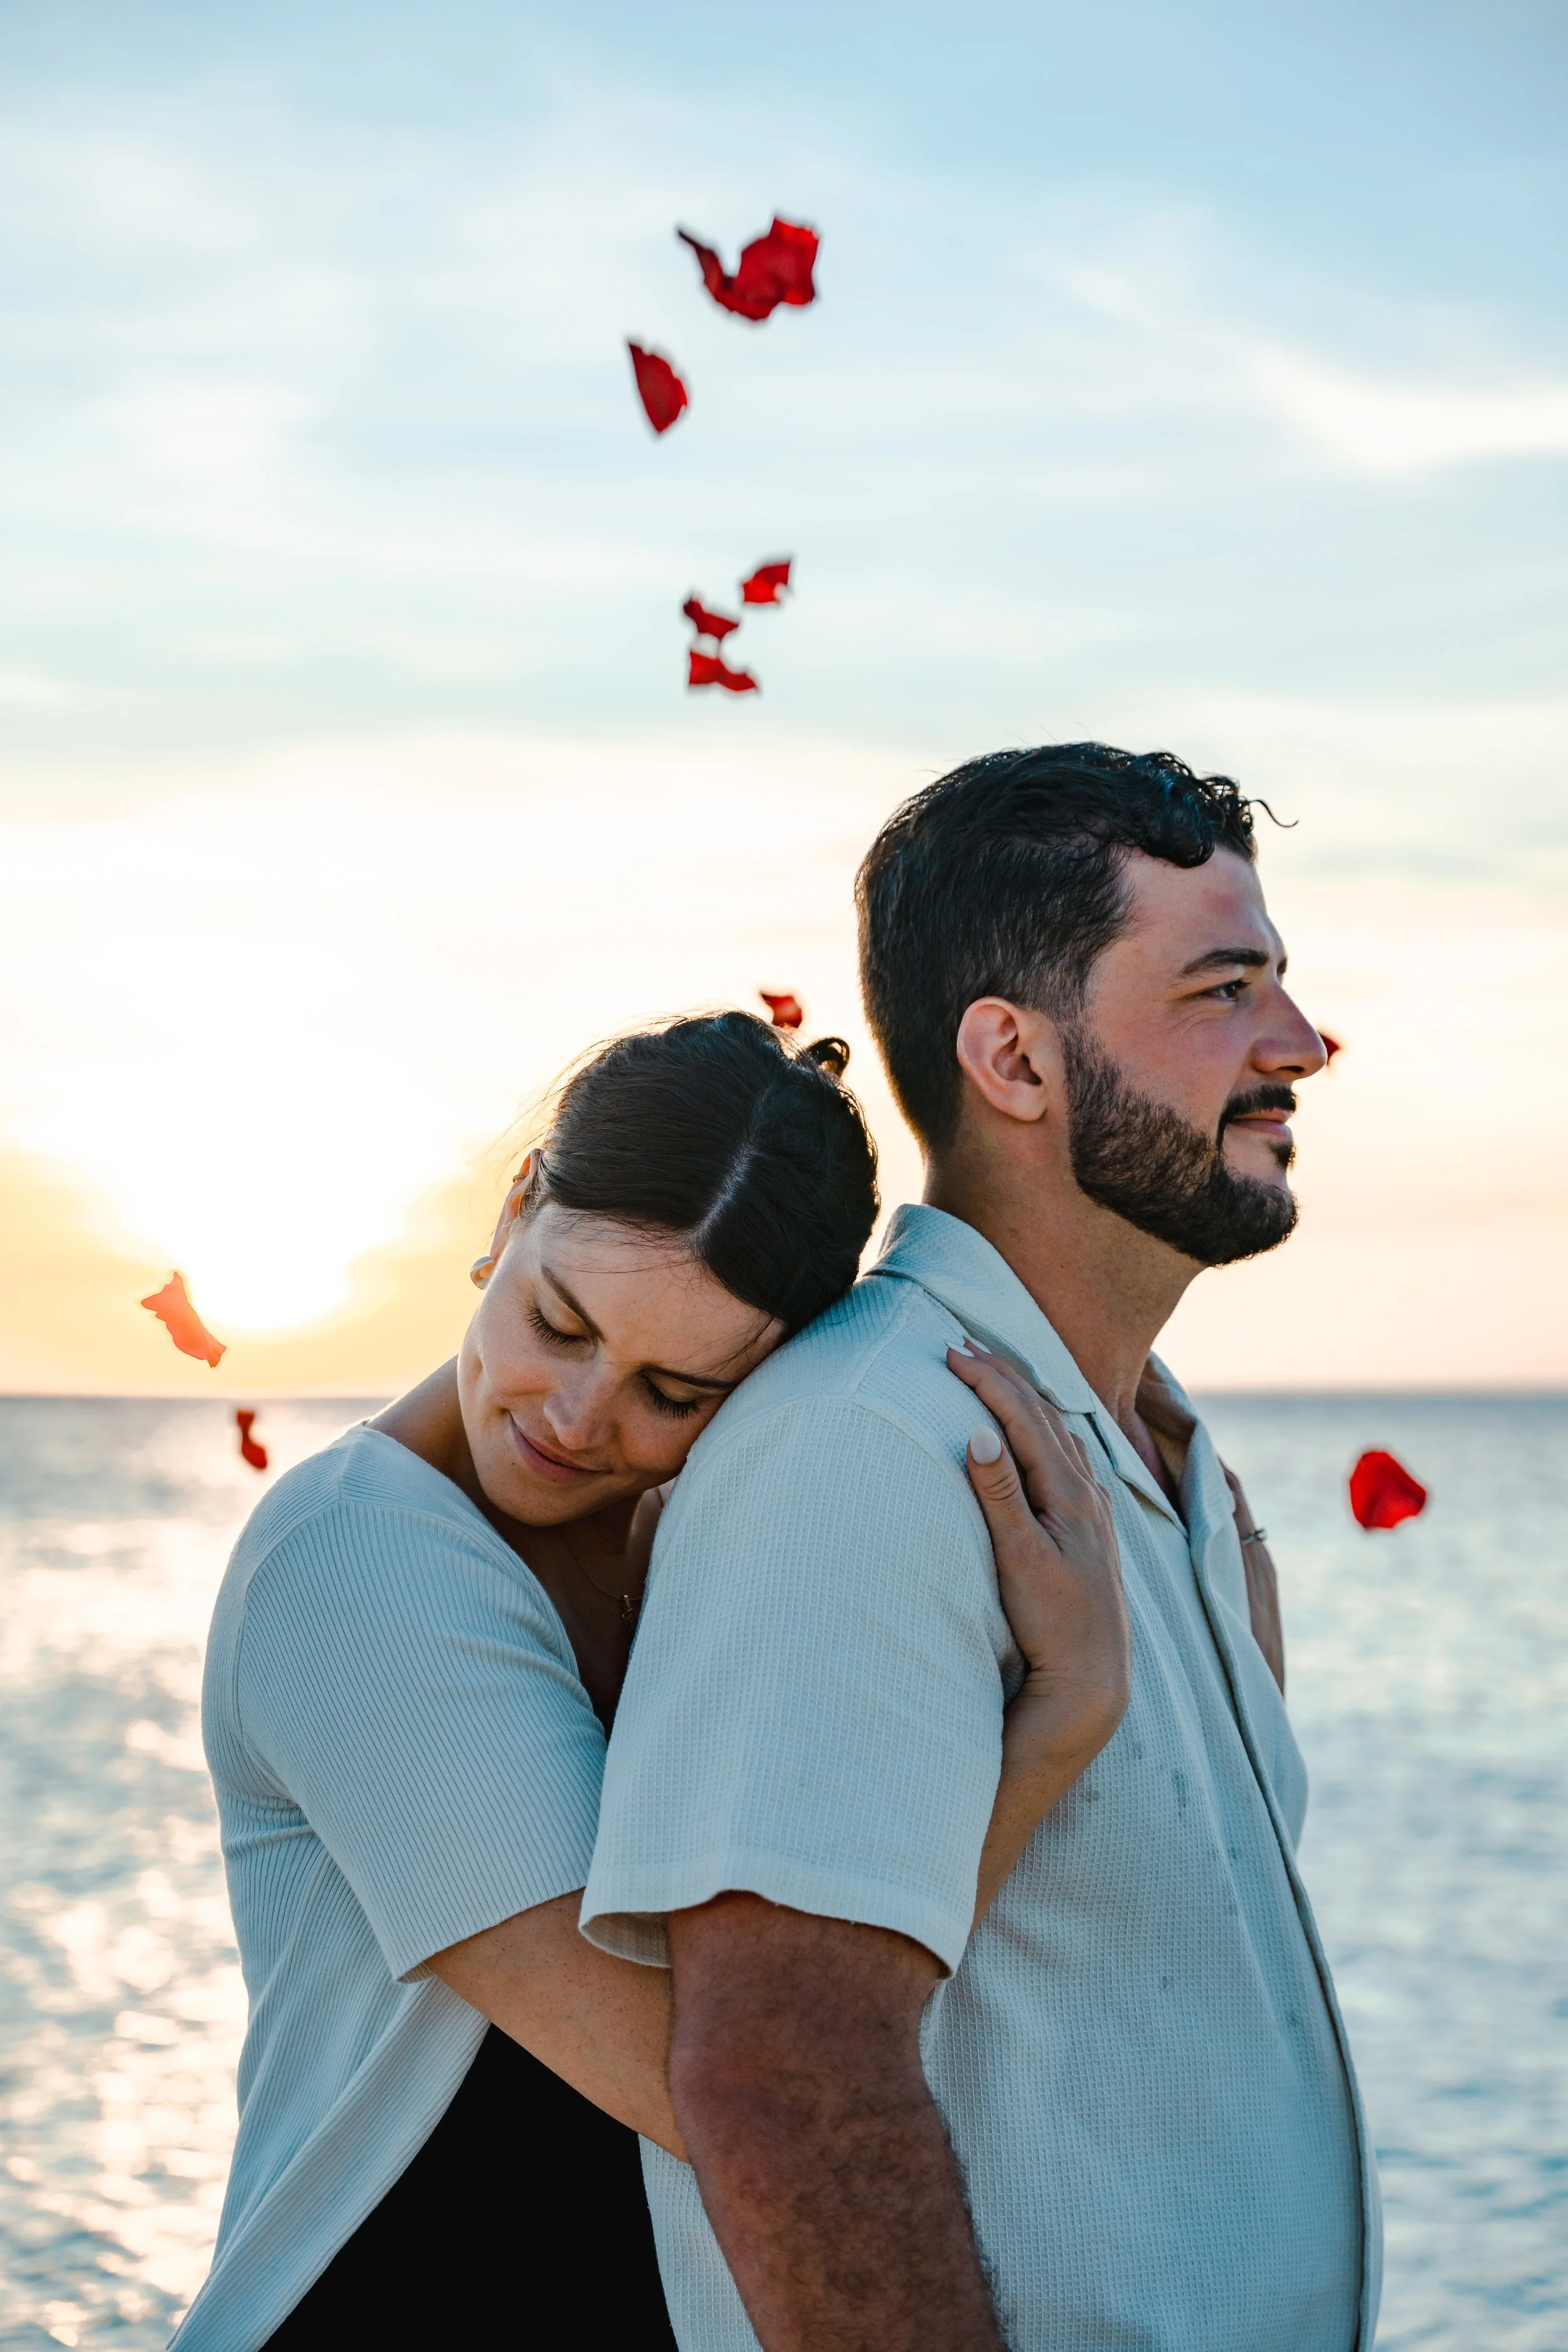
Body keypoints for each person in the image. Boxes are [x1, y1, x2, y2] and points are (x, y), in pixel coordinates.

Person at [583, 744, 1382, 2352]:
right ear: (1012, 1058)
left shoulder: (1141, 1455)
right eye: (1220, 991)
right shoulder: (862, 1449)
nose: (1299, 1045)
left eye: (1279, 985)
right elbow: (783, 2082)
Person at [173, 1010, 1130, 2352]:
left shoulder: (701, 1557)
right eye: (558, 1323)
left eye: (670, 1392)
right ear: (514, 1212)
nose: (574, 1419)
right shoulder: (356, 1569)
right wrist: (1059, 1726)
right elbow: (719, 2084)